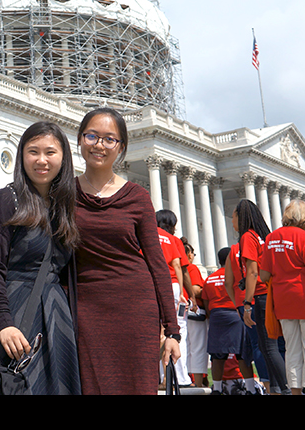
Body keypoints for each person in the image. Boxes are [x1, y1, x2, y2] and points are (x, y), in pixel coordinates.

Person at [72, 107, 180, 394]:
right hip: (86, 309)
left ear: (121, 147)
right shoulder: (65, 194)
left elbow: (157, 264)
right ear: (80, 139)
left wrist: (172, 330)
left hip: (135, 307)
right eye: (92, 136)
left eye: (110, 139)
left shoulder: (137, 197)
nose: (99, 145)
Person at [0, 121, 81, 394]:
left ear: (63, 158)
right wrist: (4, 323)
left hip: (57, 317)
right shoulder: (6, 200)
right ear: (21, 155)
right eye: (33, 152)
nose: (41, 160)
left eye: (50, 152)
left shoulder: (65, 208)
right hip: (14, 312)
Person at [259, 199, 305, 395]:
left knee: (292, 351)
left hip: (283, 302)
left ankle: (295, 392)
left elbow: (264, 275)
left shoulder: (271, 238)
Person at [224, 198, 288, 395]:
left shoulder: (247, 237)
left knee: (266, 347)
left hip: (260, 296)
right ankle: (278, 388)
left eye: (233, 216)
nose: (232, 221)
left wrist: (247, 303)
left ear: (240, 217)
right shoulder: (264, 237)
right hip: (272, 293)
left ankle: (286, 390)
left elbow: (252, 271)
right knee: (276, 346)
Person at [201, 247, 257, 395]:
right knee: (242, 354)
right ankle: (251, 389)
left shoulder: (209, 279)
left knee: (217, 355)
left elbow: (206, 302)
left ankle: (217, 389)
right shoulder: (235, 276)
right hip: (235, 314)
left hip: (216, 316)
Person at [156, 209, 191, 386]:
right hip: (173, 285)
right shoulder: (172, 239)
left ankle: (161, 376)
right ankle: (178, 376)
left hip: (154, 283)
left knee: (158, 331)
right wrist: (183, 292)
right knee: (177, 330)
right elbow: (178, 264)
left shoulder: (149, 235)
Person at [182, 237, 210, 387]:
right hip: (194, 311)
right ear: (189, 254)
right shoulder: (191, 268)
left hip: (180, 311)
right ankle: (198, 383)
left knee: (184, 346)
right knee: (198, 347)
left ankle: (184, 379)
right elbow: (196, 289)